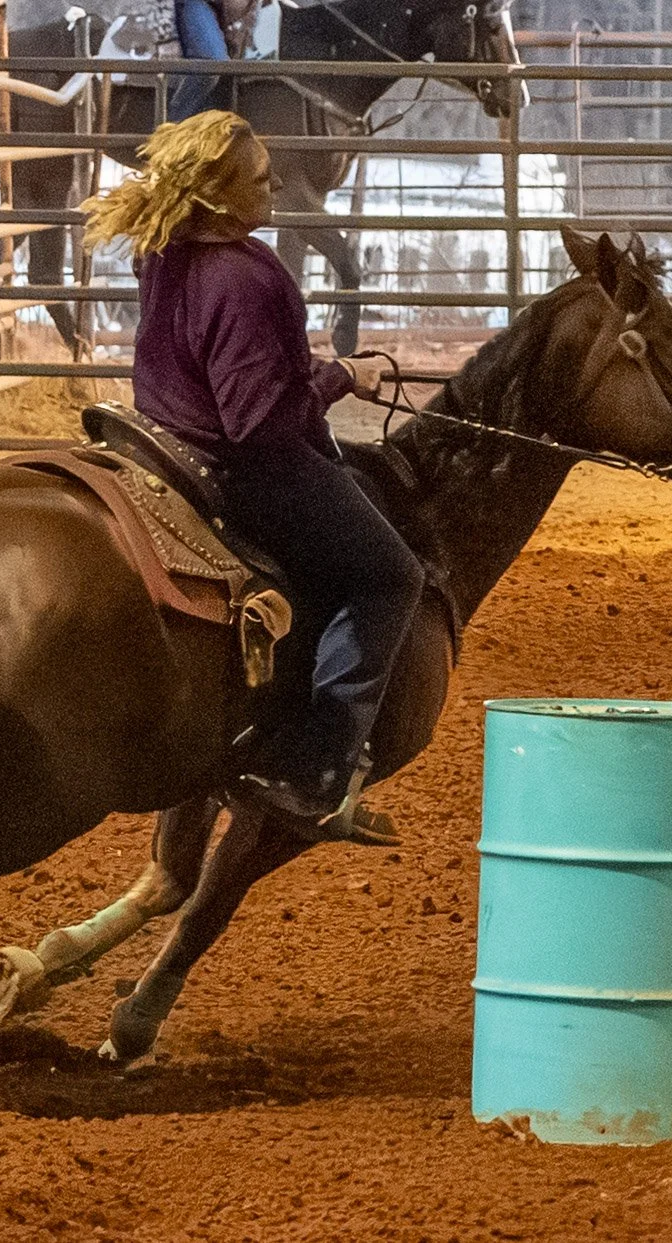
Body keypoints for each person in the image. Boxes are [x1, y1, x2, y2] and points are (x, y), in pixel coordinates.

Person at [80, 110, 423, 825]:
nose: (272, 190)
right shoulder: (244, 277)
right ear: (220, 196)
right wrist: (338, 380)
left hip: (165, 440)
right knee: (391, 577)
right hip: (240, 466)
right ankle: (317, 769)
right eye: (259, 180)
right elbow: (259, 423)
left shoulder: (164, 248)